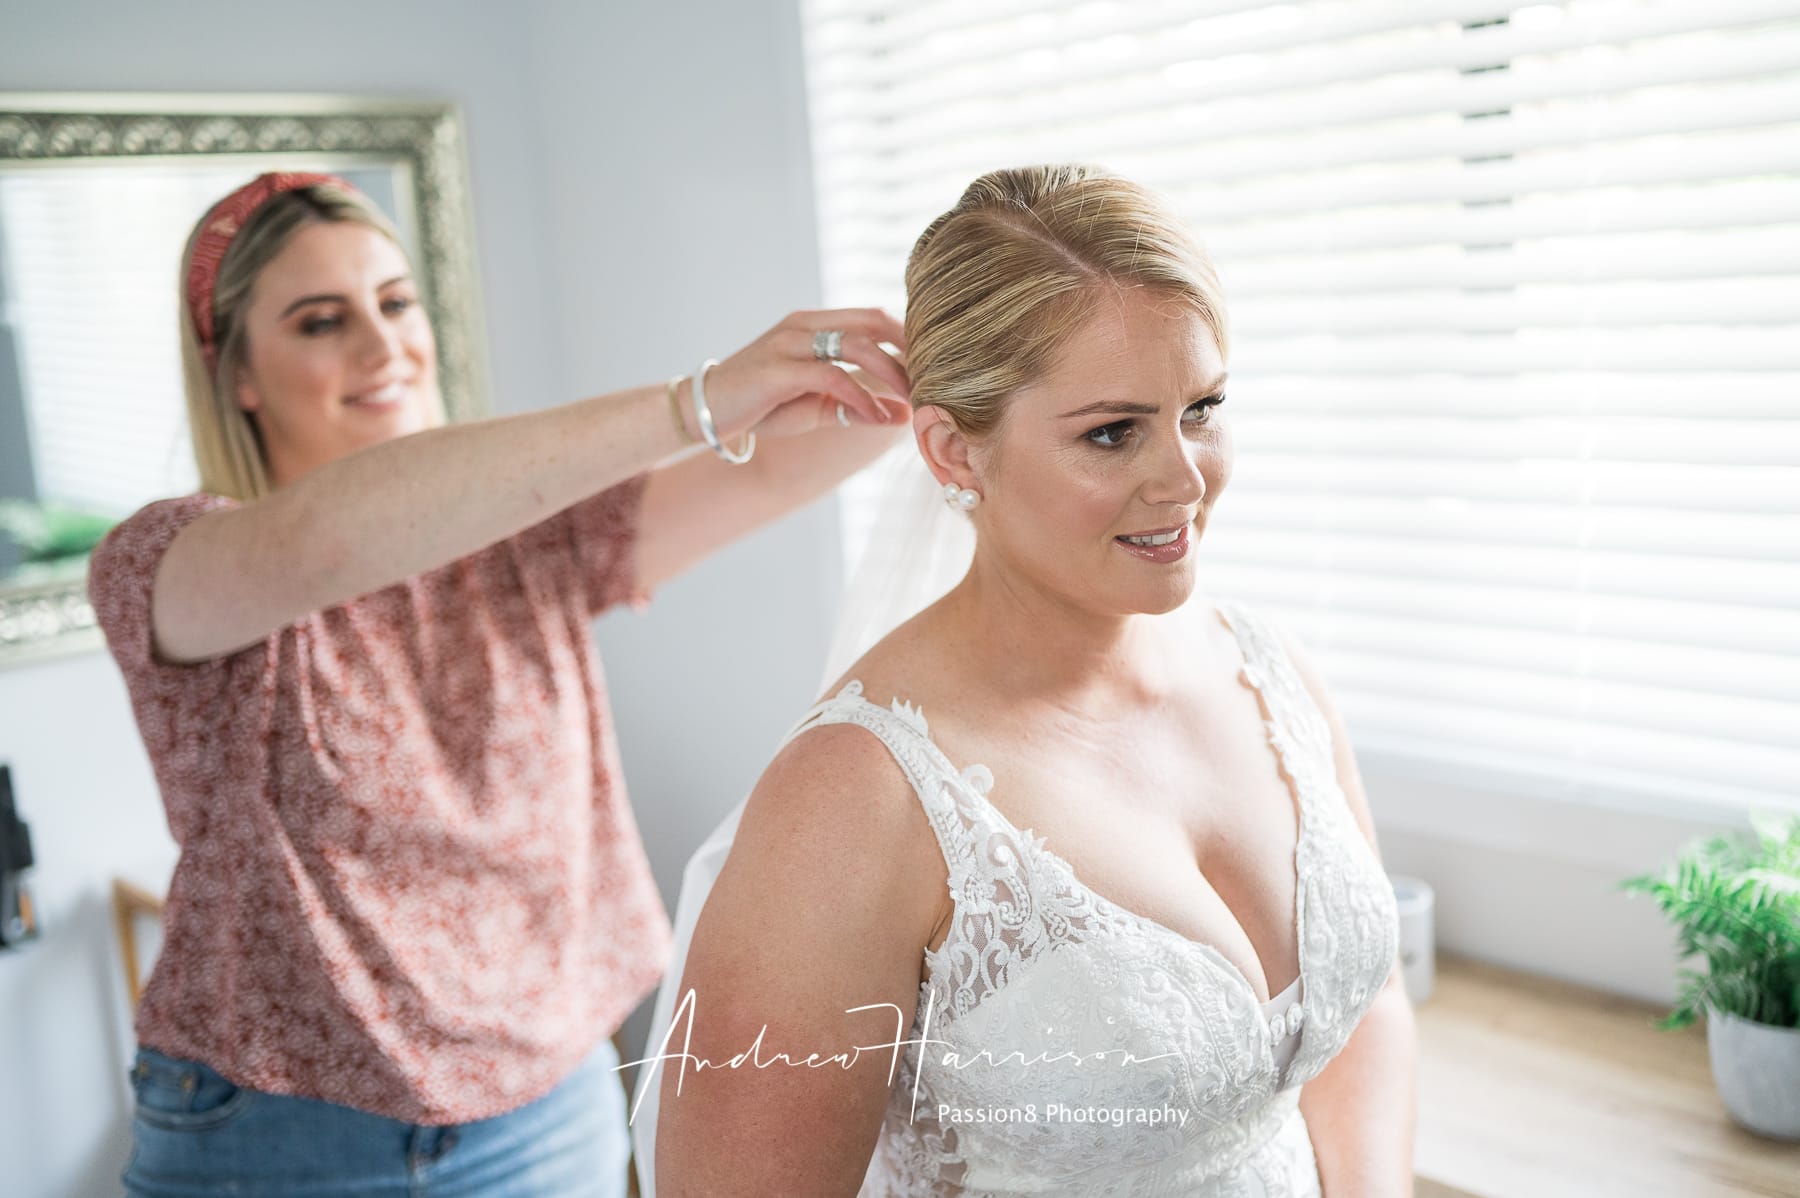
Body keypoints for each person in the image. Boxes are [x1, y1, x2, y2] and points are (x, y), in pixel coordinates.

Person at [86, 170, 914, 1197]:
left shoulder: (531, 537)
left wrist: (953, 359)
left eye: (396, 302)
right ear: (239, 374)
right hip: (281, 1128)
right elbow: (329, 537)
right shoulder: (167, 559)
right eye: (319, 320)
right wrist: (697, 401)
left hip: (549, 1107)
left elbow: (785, 464)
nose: (383, 345)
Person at [642, 165, 1416, 1196]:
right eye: (1113, 430)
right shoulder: (857, 798)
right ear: (954, 451)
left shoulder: (1270, 673)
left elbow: (1371, 1011)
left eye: (1203, 407)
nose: (1186, 479)